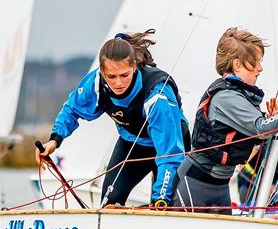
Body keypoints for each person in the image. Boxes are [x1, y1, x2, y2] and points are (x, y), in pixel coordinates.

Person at [37, 30, 189, 207]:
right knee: (109, 203)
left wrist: (161, 197)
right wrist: (55, 140)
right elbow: (72, 109)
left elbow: (170, 155)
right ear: (102, 72)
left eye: (124, 75)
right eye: (111, 77)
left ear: (134, 67)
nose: (118, 83)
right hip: (133, 144)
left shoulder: (157, 96)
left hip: (171, 145)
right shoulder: (96, 82)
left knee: (163, 204)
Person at [174, 27, 278, 214]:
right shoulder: (227, 97)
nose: (260, 68)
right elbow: (262, 129)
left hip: (220, 187)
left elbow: (255, 134)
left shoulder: (241, 96)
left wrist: (271, 119)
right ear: (237, 64)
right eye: (256, 62)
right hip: (195, 183)